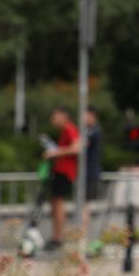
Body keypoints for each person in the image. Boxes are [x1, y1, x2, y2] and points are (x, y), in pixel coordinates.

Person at [42, 107, 81, 251]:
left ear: (64, 116)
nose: (53, 120)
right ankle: (56, 236)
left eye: (55, 116)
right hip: (61, 171)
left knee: (58, 203)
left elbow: (76, 148)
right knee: (55, 202)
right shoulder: (65, 131)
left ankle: (58, 237)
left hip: (65, 172)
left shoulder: (70, 129)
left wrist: (55, 152)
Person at [80, 107, 103, 253]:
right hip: (85, 173)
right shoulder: (88, 132)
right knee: (84, 205)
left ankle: (84, 239)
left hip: (90, 173)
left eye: (85, 116)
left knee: (84, 206)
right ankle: (82, 239)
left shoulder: (94, 132)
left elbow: (81, 146)